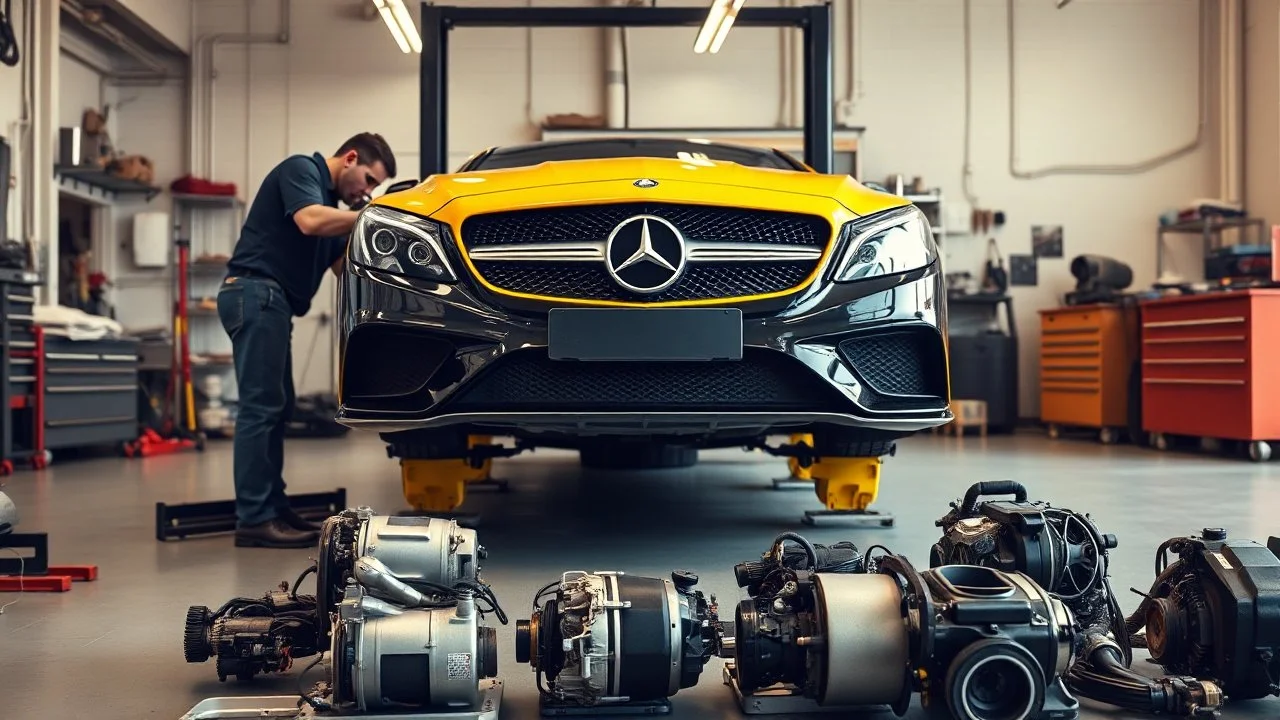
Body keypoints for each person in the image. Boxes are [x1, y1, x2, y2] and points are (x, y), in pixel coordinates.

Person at [217, 133, 397, 548]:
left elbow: (343, 270)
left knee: (277, 407)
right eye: (368, 180)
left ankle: (274, 508)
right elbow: (309, 221)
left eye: (374, 189)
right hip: (255, 293)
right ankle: (255, 517)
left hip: (272, 304)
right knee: (260, 408)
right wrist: (377, 214)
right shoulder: (303, 170)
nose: (367, 192)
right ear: (350, 159)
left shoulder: (333, 211)